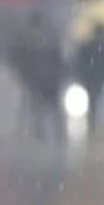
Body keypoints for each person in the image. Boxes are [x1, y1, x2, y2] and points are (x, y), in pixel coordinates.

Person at [10, 12, 65, 145]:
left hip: (34, 77)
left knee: (35, 104)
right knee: (53, 106)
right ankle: (58, 132)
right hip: (50, 78)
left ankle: (38, 130)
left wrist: (22, 73)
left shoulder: (26, 39)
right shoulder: (50, 38)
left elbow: (18, 57)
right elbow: (59, 58)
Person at [74, 22, 104, 133]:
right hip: (103, 79)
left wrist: (82, 76)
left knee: (93, 103)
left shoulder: (87, 45)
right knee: (103, 103)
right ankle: (100, 125)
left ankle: (94, 123)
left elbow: (79, 62)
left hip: (91, 79)